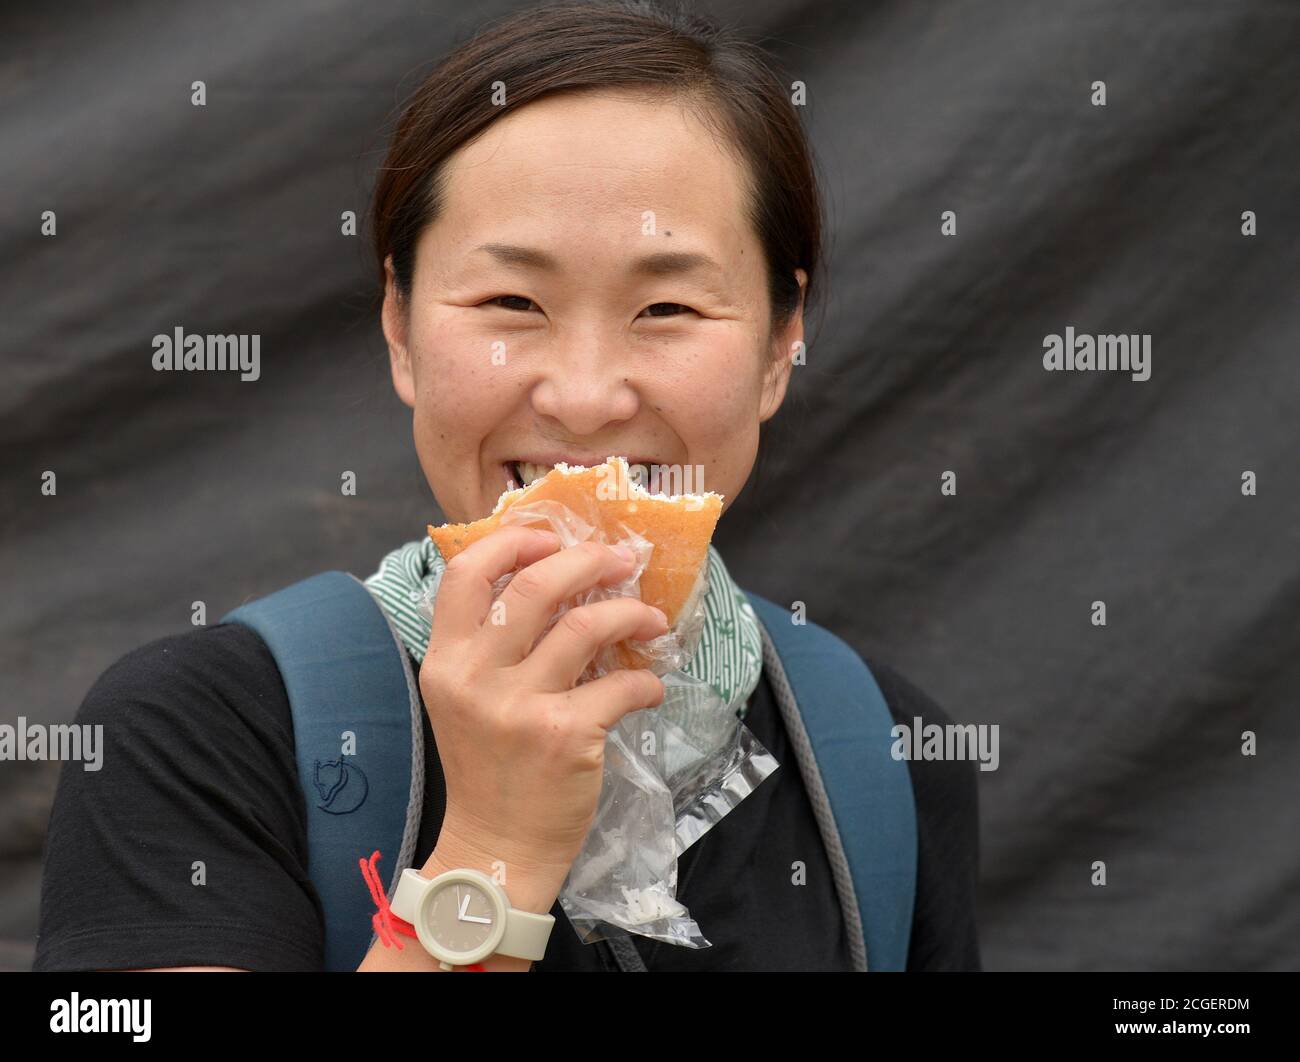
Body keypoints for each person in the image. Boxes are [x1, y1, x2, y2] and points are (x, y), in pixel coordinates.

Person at [32, 0, 980, 973]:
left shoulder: (882, 756)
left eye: (667, 306)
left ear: (779, 349)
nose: (581, 399)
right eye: (510, 302)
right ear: (400, 327)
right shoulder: (197, 731)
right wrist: (492, 854)